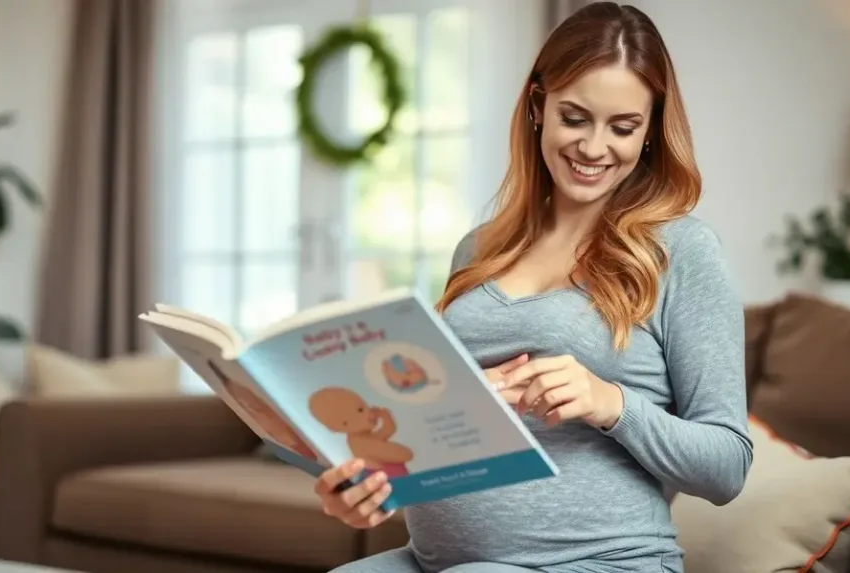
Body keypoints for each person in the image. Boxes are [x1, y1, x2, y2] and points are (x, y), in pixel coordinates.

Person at [313, 3, 753, 572]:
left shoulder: (681, 250)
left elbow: (728, 467)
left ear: (649, 132)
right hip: (436, 561)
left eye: (623, 127)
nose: (594, 148)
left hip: (603, 563)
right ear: (537, 105)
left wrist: (610, 403)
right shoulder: (478, 249)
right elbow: (445, 431)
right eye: (575, 117)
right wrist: (372, 483)